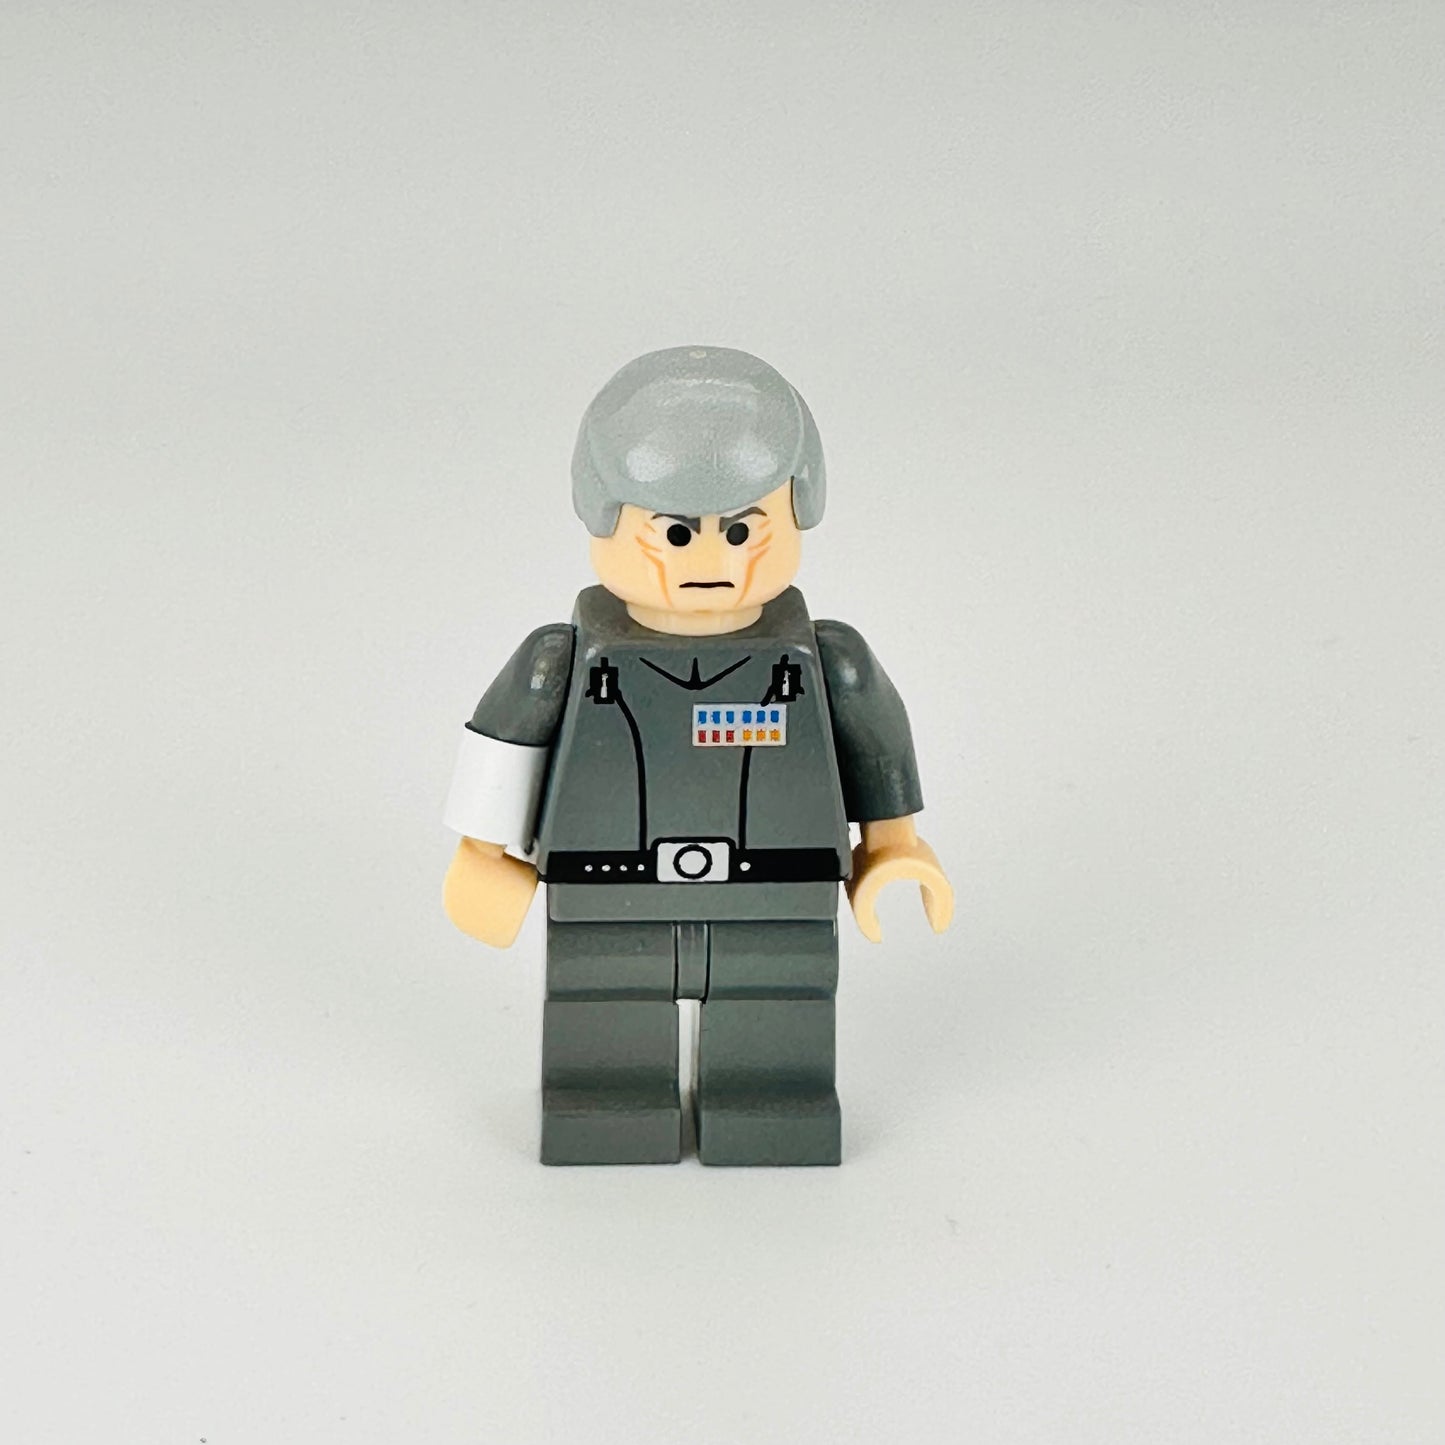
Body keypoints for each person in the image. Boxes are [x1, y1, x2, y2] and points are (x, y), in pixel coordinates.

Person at [442, 345, 953, 1166]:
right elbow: (506, 742)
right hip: (607, 888)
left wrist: (893, 846)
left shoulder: (825, 661)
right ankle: (607, 1101)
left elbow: (874, 740)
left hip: (777, 888)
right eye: (675, 534)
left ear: (798, 512)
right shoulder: (562, 660)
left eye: (743, 530)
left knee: (777, 1004)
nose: (712, 563)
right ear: (602, 516)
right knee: (604, 1007)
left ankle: (770, 1099)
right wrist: (481, 852)